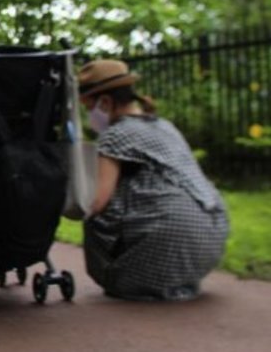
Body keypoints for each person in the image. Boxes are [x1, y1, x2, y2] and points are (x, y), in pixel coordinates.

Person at [78, 59, 229, 301]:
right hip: (212, 235)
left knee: (97, 214)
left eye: (88, 108)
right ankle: (174, 279)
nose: (88, 116)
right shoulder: (164, 125)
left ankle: (132, 280)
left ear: (105, 102)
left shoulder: (116, 135)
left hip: (170, 241)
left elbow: (97, 201)